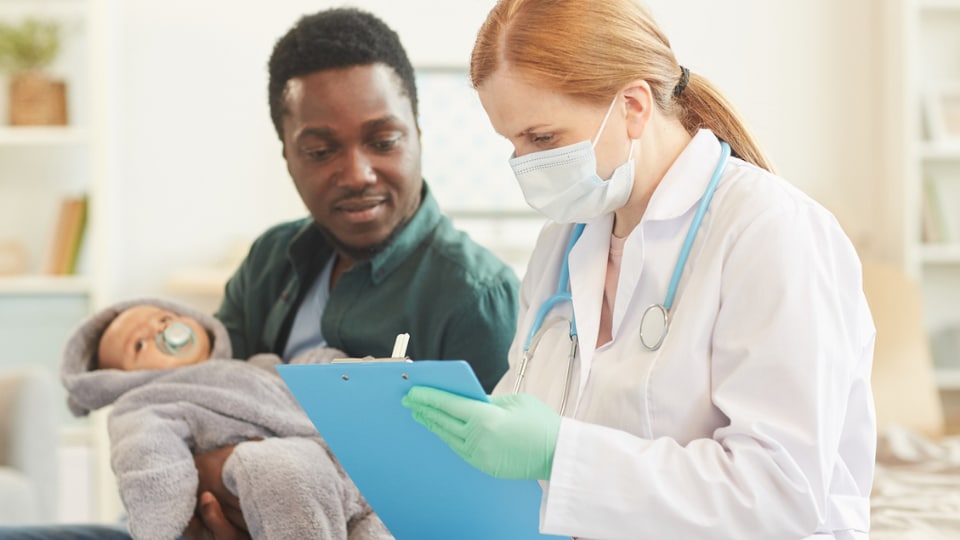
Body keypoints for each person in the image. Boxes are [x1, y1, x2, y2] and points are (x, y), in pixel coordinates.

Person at [0, 7, 519, 540]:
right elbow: (197, 391)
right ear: (288, 155)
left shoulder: (478, 297)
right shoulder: (272, 258)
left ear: (417, 133)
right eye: (320, 151)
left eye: (384, 141)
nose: (359, 173)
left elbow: (488, 510)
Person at [401, 1, 877, 539]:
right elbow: (524, 439)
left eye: (542, 139)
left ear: (632, 106)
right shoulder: (565, 240)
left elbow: (778, 495)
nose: (524, 166)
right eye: (511, 144)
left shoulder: (772, 232)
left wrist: (560, 454)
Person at [59, 297, 391, 540]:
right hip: (266, 474)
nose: (163, 333)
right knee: (278, 467)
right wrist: (162, 528)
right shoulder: (148, 400)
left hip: (348, 474)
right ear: (121, 379)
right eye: (140, 343)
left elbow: (301, 376)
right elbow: (148, 463)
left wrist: (336, 366)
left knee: (383, 524)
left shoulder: (257, 364)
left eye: (164, 319)